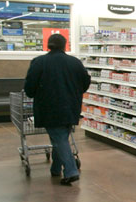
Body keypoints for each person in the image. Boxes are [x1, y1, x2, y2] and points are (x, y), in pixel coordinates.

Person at [24, 34, 91, 185]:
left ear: (48, 45)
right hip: (71, 106)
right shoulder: (74, 62)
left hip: (49, 107)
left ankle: (71, 171)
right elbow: (85, 82)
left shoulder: (39, 62)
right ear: (64, 45)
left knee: (59, 138)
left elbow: (29, 87)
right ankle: (55, 168)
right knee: (60, 137)